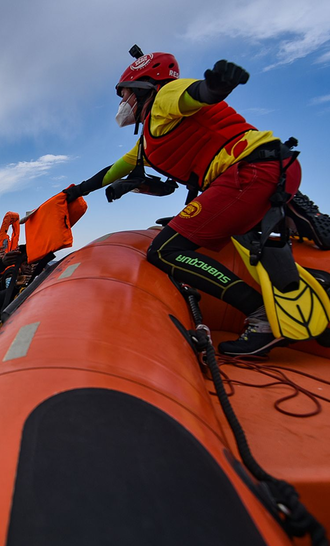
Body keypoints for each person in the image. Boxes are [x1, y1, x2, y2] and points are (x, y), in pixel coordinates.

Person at [60, 48, 327, 357]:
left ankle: (261, 315)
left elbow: (192, 95)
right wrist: (77, 191)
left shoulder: (165, 96)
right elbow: (114, 170)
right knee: (240, 241)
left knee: (165, 250)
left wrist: (214, 88)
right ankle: (301, 227)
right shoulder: (150, 137)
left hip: (248, 175)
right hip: (275, 168)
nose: (123, 103)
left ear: (144, 88)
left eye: (126, 94)